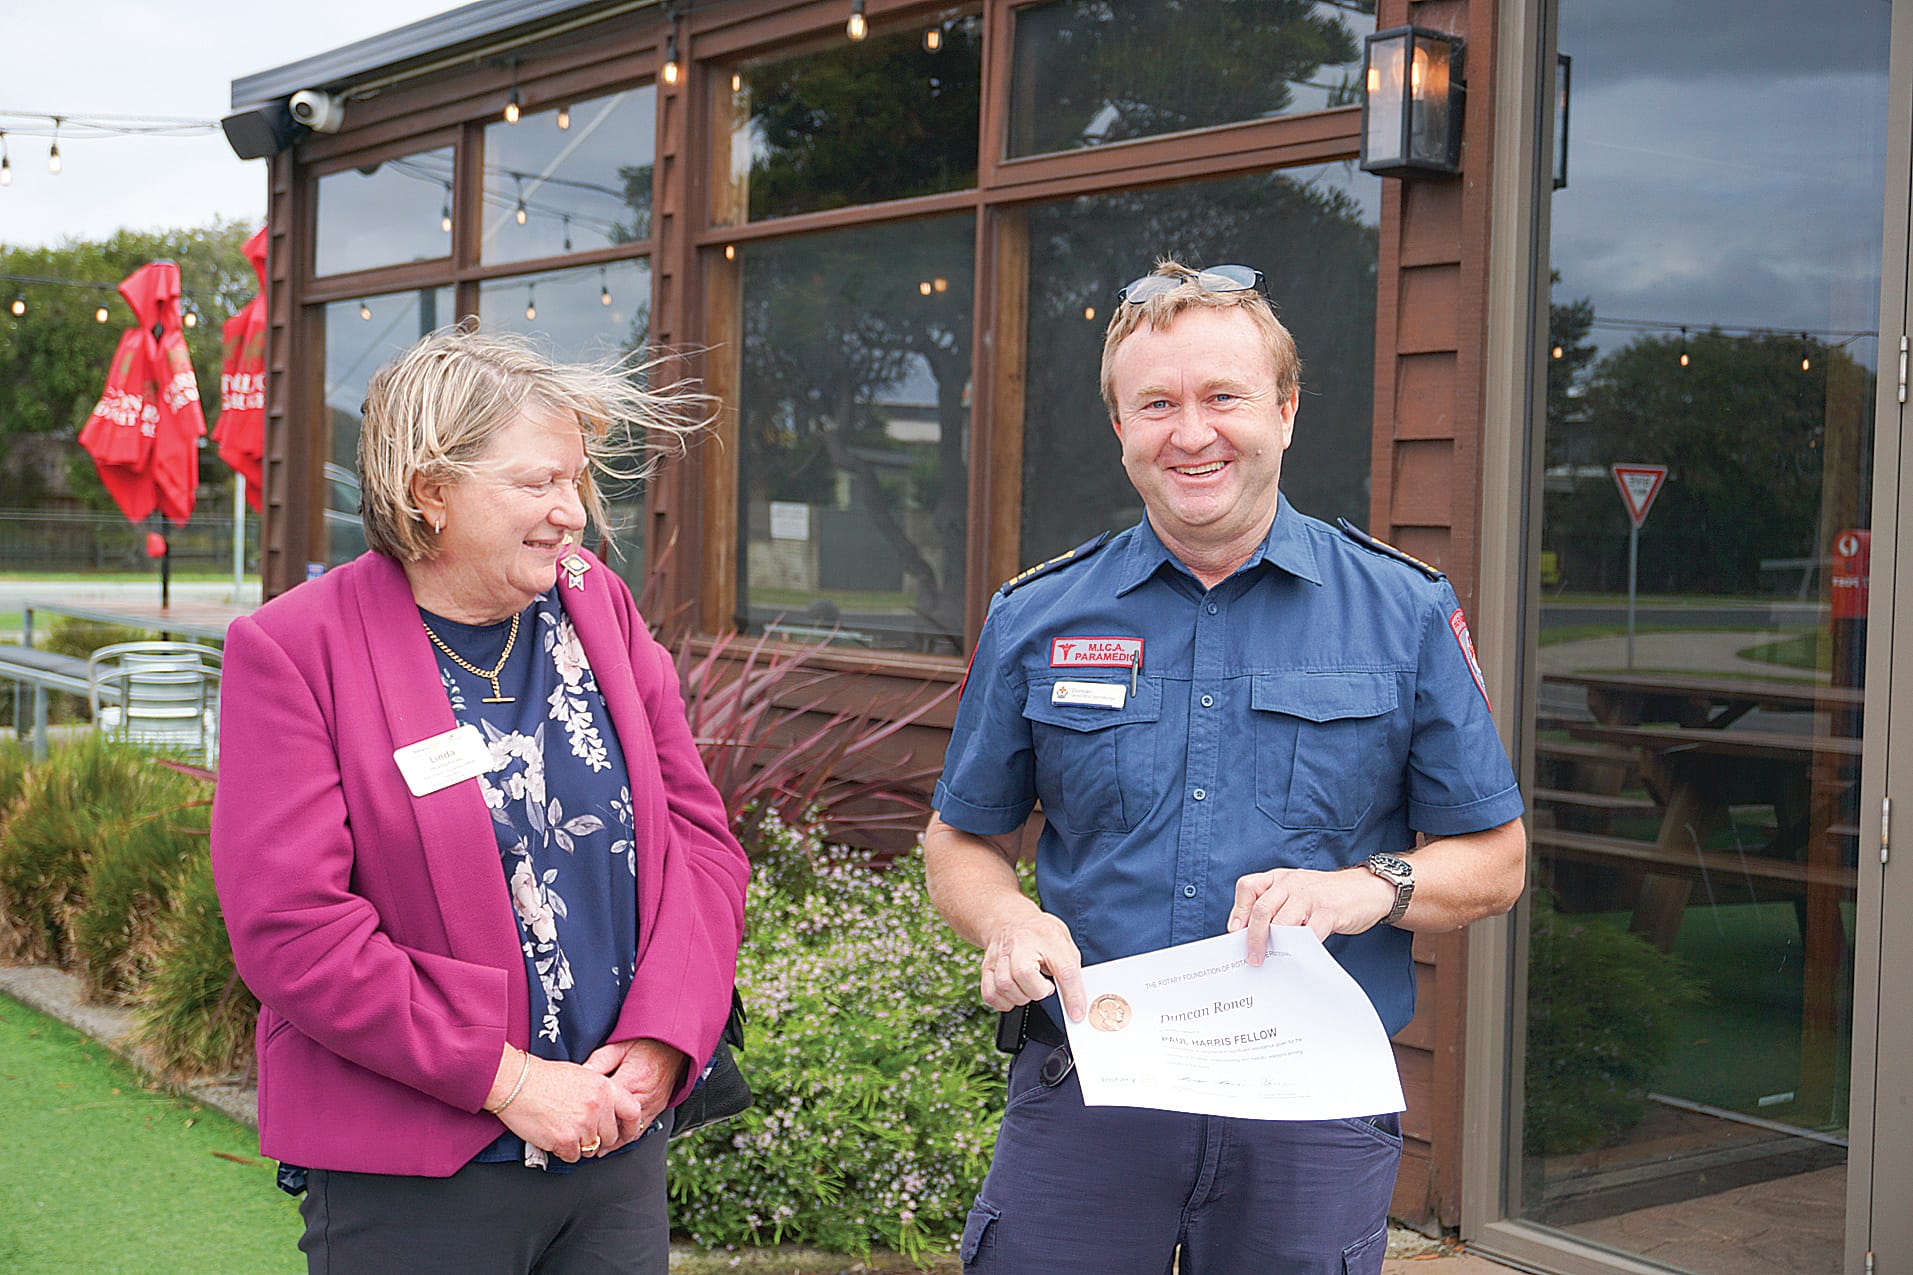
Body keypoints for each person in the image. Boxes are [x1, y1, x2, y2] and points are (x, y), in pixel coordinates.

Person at [923, 261, 1527, 1274]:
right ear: (1119, 428)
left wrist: (1362, 889)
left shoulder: (1402, 612)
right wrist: (1005, 919)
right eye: (1154, 403)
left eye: (1222, 397)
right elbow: (961, 837)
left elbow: (1495, 859)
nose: (1189, 432)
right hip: (1091, 1088)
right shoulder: (1038, 615)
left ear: (1283, 412)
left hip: (1307, 1108)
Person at [211, 325, 750, 1274]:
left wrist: (666, 1041)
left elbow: (702, 845)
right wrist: (506, 1081)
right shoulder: (297, 650)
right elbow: (293, 928)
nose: (572, 513)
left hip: (613, 1143)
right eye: (536, 483)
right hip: (421, 1173)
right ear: (429, 491)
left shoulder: (598, 608)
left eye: (576, 480)